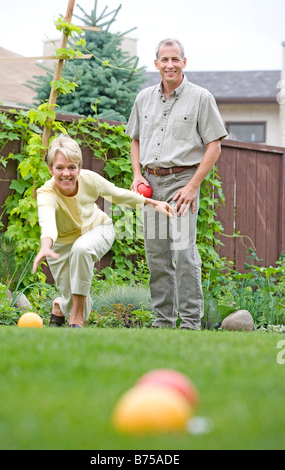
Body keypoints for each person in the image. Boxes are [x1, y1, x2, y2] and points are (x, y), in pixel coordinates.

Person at [127, 38, 228, 330]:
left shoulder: (201, 97)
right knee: (157, 256)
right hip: (151, 188)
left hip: (183, 184)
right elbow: (135, 139)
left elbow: (214, 147)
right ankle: (163, 322)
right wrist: (137, 174)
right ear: (156, 63)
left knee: (184, 254)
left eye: (175, 59)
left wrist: (193, 185)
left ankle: (190, 324)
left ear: (184, 62)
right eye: (164, 59)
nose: (169, 64)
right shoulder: (143, 98)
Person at [32, 134, 173, 328]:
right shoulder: (46, 193)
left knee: (81, 250)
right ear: (51, 169)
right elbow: (47, 222)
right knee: (69, 295)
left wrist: (152, 202)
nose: (66, 173)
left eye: (72, 167)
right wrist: (46, 246)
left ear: (79, 168)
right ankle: (61, 305)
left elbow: (117, 194)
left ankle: (77, 318)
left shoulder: (88, 179)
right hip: (62, 244)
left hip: (98, 230)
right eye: (60, 168)